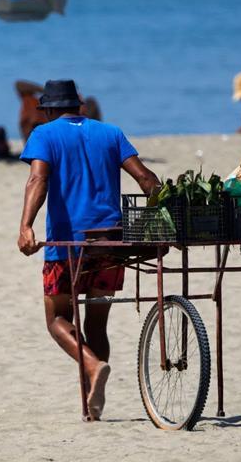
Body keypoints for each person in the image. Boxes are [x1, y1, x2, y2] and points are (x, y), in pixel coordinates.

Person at [17, 79, 161, 422]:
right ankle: (92, 406)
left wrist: (25, 225)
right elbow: (145, 178)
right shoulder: (111, 133)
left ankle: (95, 367)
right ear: (80, 107)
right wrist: (162, 210)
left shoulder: (44, 134)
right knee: (97, 324)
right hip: (112, 243)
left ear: (49, 110)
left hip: (69, 246)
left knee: (57, 319)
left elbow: (38, 180)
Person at [16, 79, 102, 142]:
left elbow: (19, 84)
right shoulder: (111, 132)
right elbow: (19, 84)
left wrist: (50, 94)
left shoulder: (43, 132)